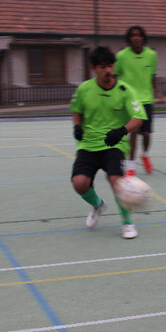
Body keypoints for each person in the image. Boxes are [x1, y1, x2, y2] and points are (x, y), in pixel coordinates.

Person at [71, 46, 147, 239]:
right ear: (94, 68)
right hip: (88, 145)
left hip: (114, 146)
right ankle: (98, 205)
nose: (108, 70)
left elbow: (139, 117)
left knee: (116, 181)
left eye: (110, 66)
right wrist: (77, 126)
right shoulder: (84, 89)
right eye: (102, 67)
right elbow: (77, 110)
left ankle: (127, 223)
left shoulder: (125, 90)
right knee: (79, 183)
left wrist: (122, 131)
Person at [115, 25, 163, 175]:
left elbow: (153, 76)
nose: (136, 38)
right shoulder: (121, 56)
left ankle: (145, 155)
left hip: (146, 99)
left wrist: (158, 93)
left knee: (147, 134)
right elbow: (115, 77)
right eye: (133, 35)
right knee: (134, 132)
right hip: (130, 100)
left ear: (143, 38)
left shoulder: (151, 55)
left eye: (139, 35)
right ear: (129, 39)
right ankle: (131, 167)